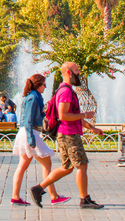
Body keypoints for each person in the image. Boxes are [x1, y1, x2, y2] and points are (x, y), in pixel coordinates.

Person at [29, 62, 105, 210]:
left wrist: (92, 128)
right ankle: (84, 199)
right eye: (77, 71)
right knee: (81, 165)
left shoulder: (64, 90)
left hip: (66, 134)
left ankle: (38, 188)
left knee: (67, 167)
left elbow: (73, 115)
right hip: (69, 135)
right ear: (69, 73)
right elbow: (64, 115)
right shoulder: (66, 92)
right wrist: (85, 114)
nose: (79, 73)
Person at [10, 74, 69, 206]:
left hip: (27, 132)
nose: (45, 87)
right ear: (38, 85)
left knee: (23, 165)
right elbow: (29, 119)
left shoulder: (33, 96)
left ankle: (15, 197)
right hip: (30, 133)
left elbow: (35, 116)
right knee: (46, 163)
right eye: (43, 84)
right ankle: (53, 196)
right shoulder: (33, 97)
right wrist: (31, 140)